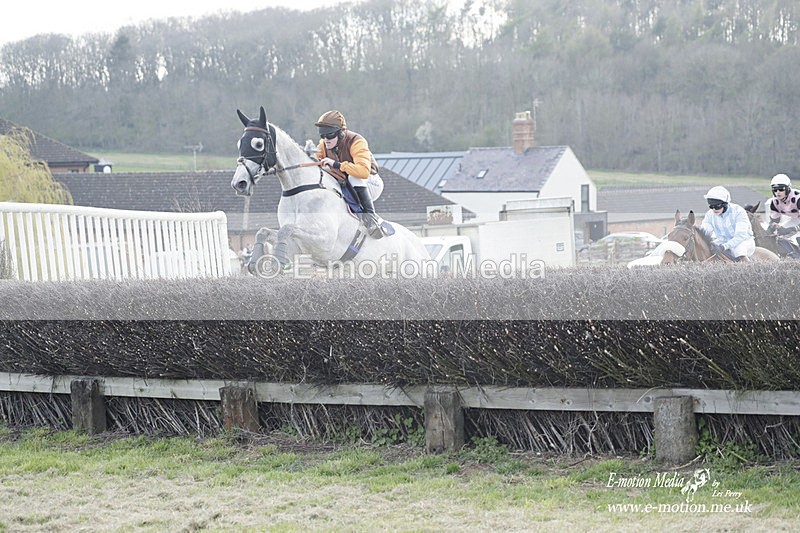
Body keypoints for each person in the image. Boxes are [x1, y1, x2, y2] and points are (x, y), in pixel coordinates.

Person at [314, 110, 388, 239]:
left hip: (370, 181)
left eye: (329, 135)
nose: (326, 140)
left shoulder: (356, 141)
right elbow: (315, 162)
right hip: (346, 181)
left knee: (354, 177)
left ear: (341, 133)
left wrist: (337, 164)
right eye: (322, 136)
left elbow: (363, 172)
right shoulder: (323, 145)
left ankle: (371, 219)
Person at [700, 186, 755, 262]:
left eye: (717, 206)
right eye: (711, 206)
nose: (714, 209)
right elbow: (704, 232)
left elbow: (740, 236)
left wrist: (723, 247)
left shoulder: (739, 211)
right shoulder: (709, 214)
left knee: (738, 251)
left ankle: (749, 269)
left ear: (725, 204)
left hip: (743, 241)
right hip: (722, 242)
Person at [766, 173, 800, 258]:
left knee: (798, 236)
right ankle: (793, 255)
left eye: (781, 189)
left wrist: (792, 229)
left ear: (788, 189)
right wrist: (771, 229)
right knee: (780, 237)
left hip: (797, 219)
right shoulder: (774, 202)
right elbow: (774, 220)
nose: (778, 192)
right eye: (775, 190)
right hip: (795, 218)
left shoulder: (798, 198)